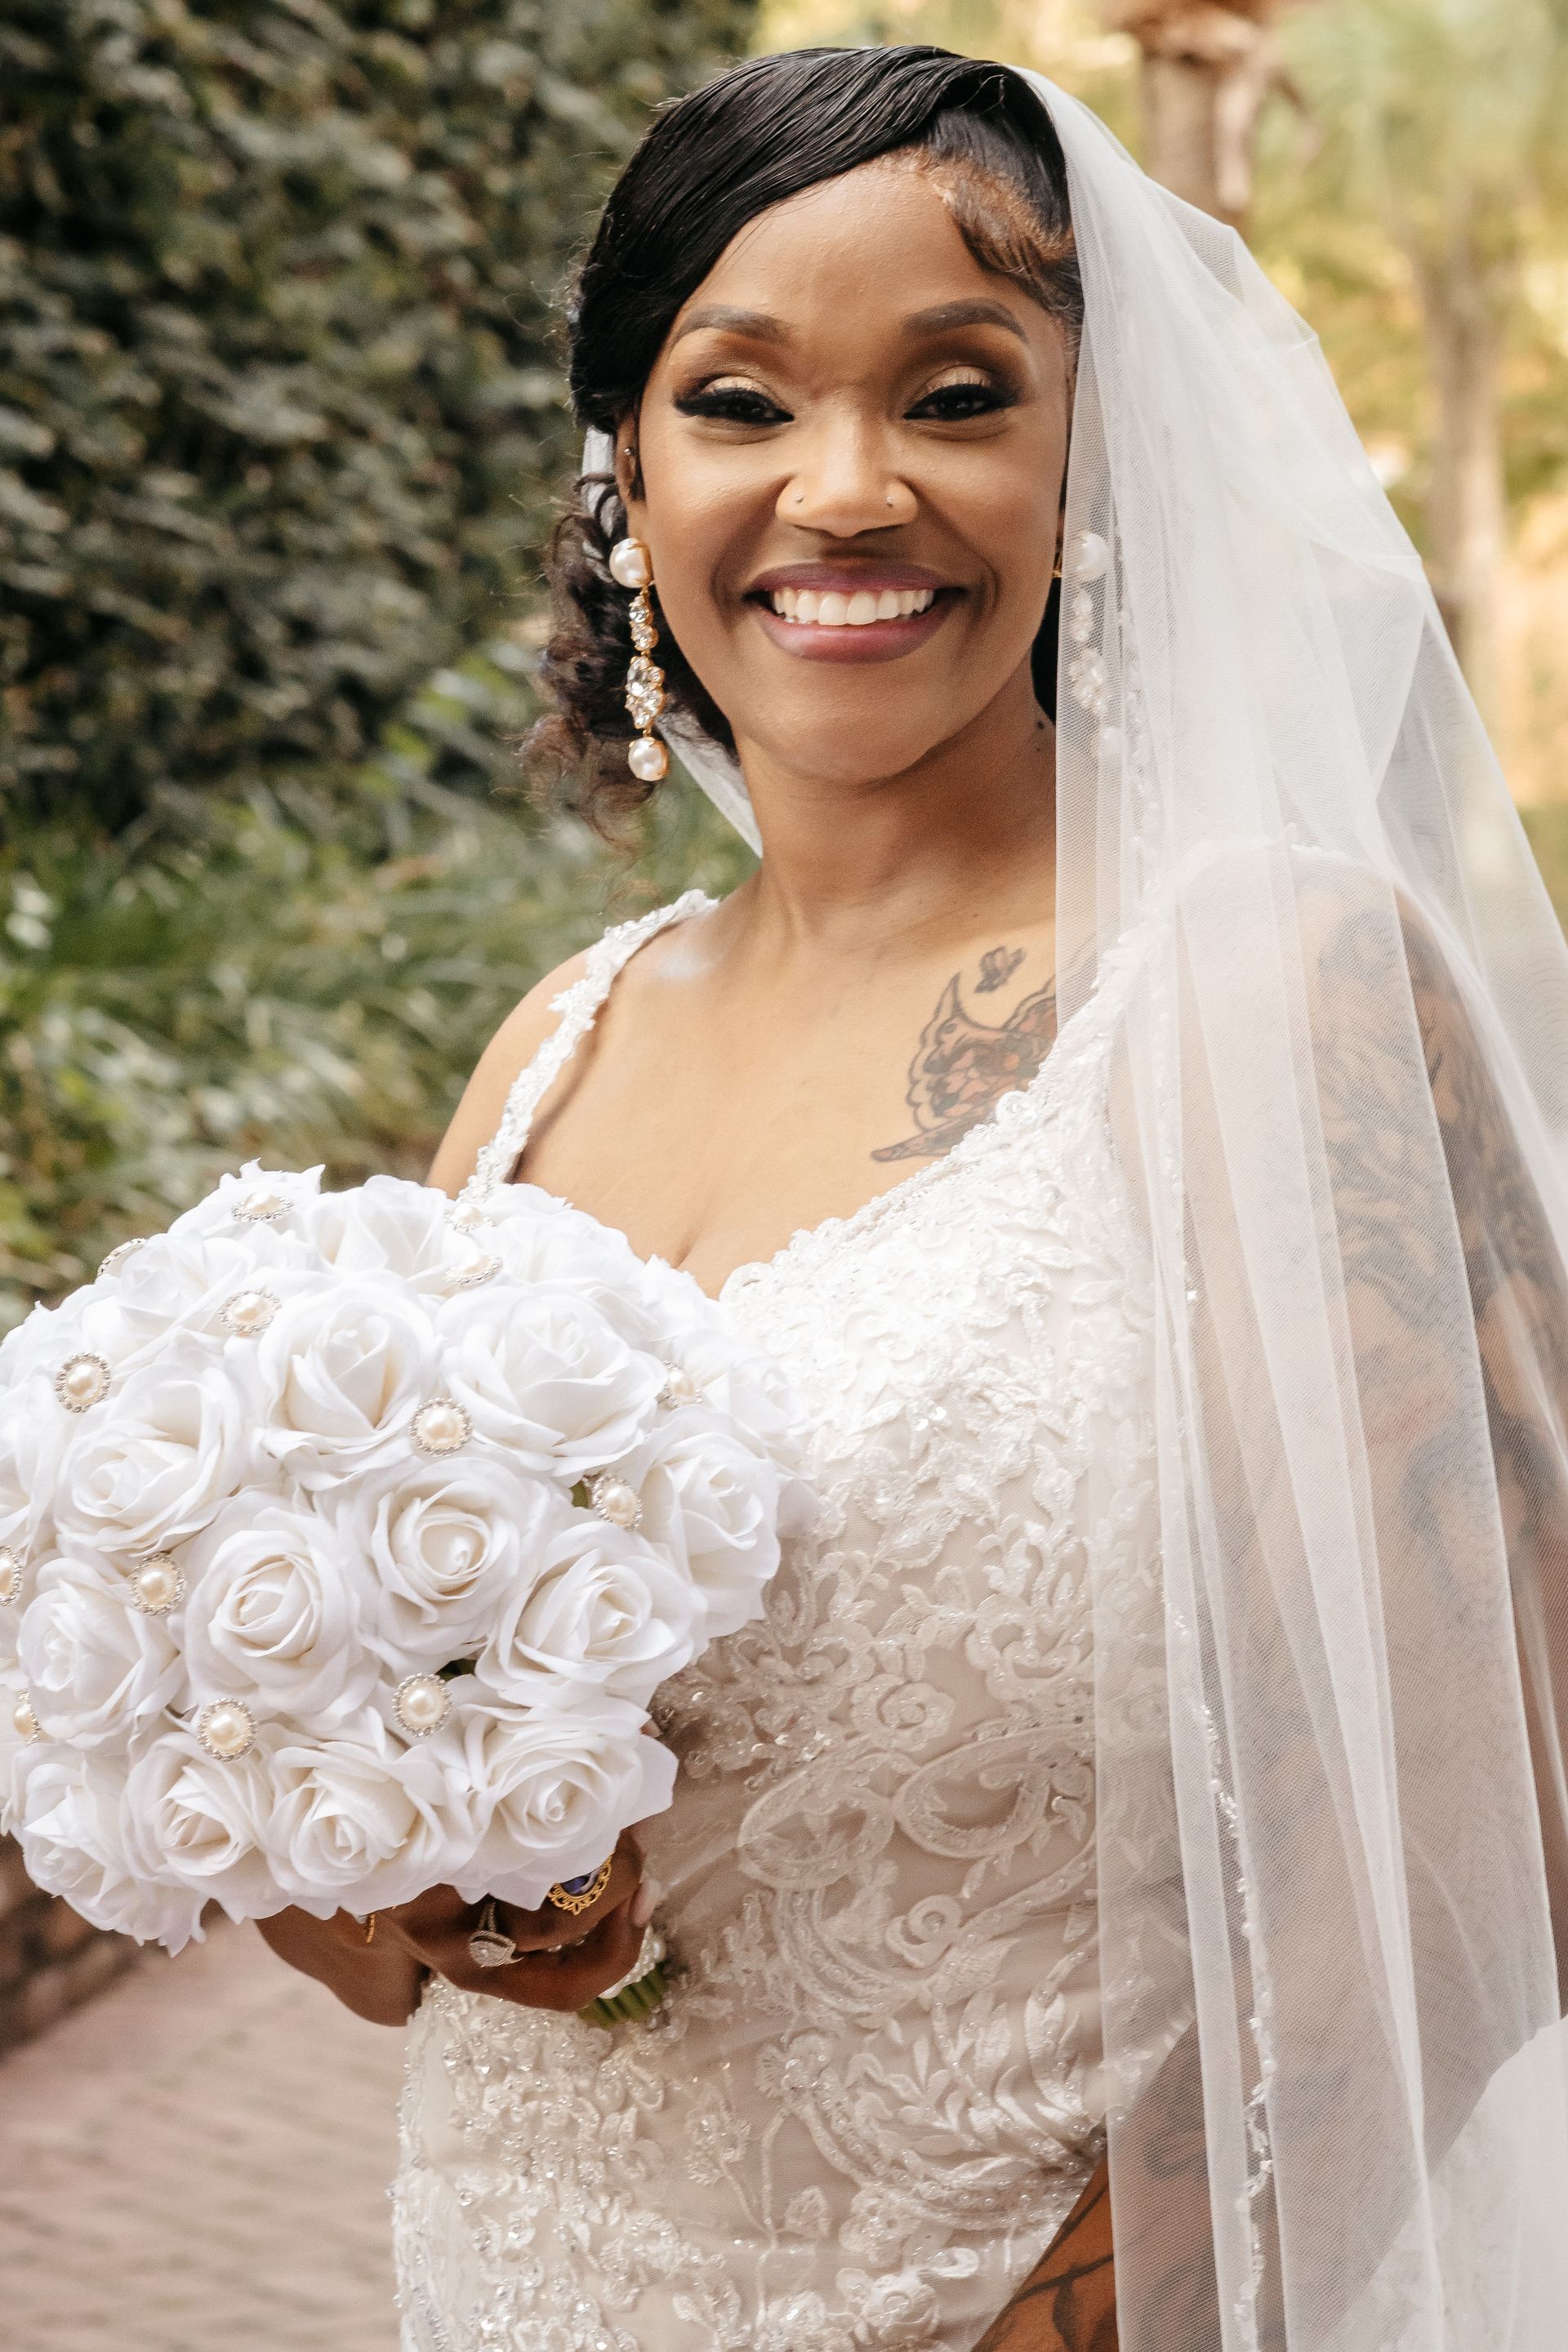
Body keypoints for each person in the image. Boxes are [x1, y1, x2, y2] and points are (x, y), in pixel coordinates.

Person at [260, 45, 1568, 2352]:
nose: (842, 492)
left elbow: (1503, 1839)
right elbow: (366, 1923)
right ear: (626, 482)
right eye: (739, 402)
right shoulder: (556, 1048)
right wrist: (428, 1878)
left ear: (1095, 467)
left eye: (958, 395)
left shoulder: (1271, 994)